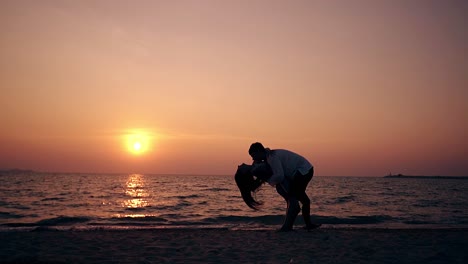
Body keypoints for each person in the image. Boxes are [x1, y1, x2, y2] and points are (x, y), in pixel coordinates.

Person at [235, 142, 320, 231]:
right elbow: (279, 176)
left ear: (259, 152)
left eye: (253, 155)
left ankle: (296, 225)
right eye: (239, 168)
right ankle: (297, 225)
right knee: (299, 200)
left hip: (303, 171)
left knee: (300, 200)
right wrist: (271, 181)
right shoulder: (263, 163)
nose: (239, 165)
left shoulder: (268, 158)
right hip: (300, 172)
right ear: (244, 173)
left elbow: (274, 173)